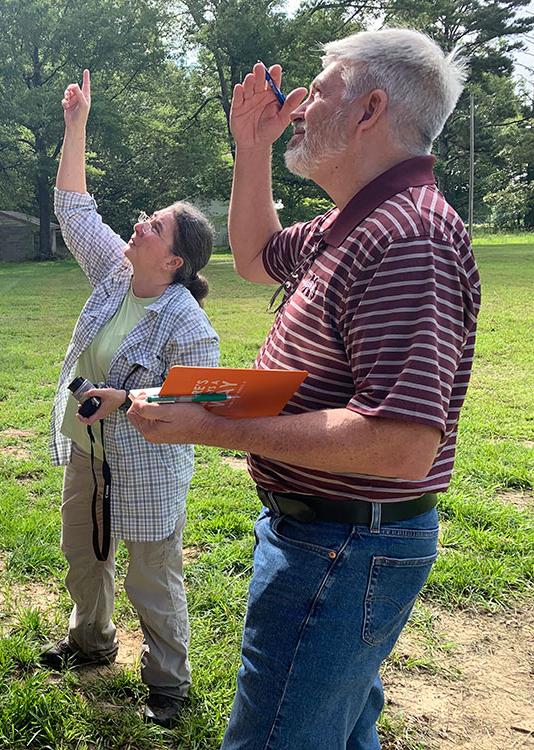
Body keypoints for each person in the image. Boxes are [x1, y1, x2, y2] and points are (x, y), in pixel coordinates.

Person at [127, 29, 480, 749]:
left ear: (369, 108)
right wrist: (251, 148)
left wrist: (210, 426)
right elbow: (257, 256)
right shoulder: (354, 223)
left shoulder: (408, 235)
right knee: (339, 733)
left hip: (344, 545)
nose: (298, 108)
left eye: (318, 93)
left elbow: (401, 445)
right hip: (328, 536)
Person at [41, 69, 219, 728]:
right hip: (90, 452)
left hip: (148, 463)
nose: (139, 224)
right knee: (84, 558)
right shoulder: (118, 271)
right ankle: (91, 643)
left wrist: (129, 396)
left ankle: (169, 685)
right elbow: (73, 208)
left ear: (173, 261)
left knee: (152, 577)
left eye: (153, 226)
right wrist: (77, 122)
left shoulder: (187, 323)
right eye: (145, 220)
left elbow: (203, 403)